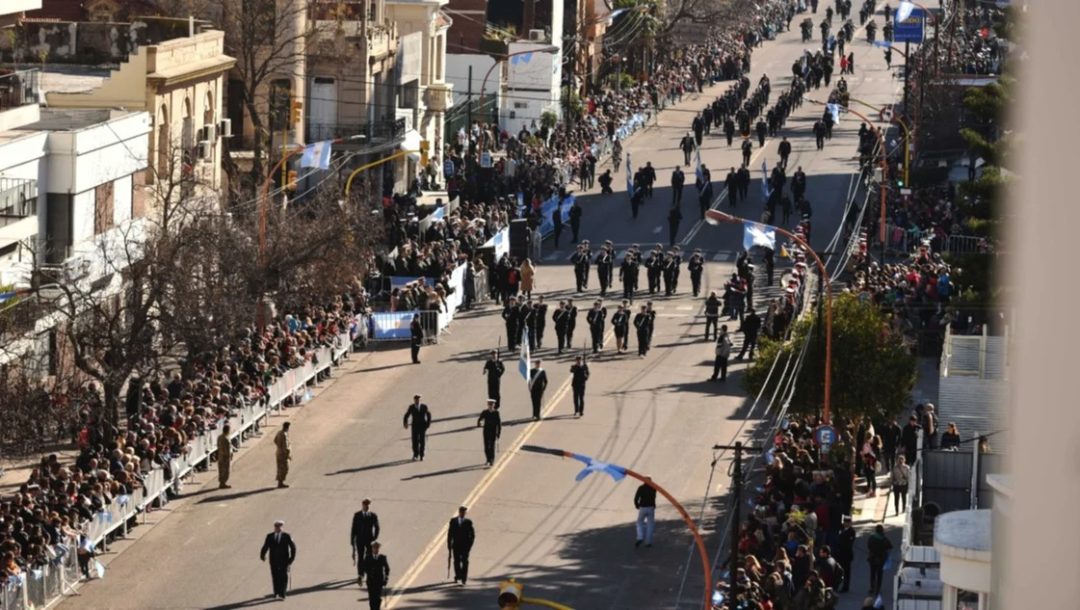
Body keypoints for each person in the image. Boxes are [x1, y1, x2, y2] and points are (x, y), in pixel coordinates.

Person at [260, 519, 296, 600]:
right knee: (275, 576)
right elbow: (266, 546)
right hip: (273, 560)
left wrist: (291, 559)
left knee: (283, 576)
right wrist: (262, 555)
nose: (278, 528)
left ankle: (282, 593)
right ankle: (276, 592)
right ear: (274, 527)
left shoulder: (287, 536)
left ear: (282, 527)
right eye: (277, 526)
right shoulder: (270, 536)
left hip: (284, 560)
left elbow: (293, 547)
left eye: (280, 526)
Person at [351, 498, 380, 586]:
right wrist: (352, 541)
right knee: (360, 557)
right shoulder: (357, 515)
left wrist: (374, 538)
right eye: (365, 505)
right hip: (360, 540)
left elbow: (377, 527)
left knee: (368, 557)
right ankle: (360, 575)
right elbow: (353, 529)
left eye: (368, 505)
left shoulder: (373, 515)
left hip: (369, 540)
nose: (367, 506)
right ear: (362, 505)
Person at [447, 506, 475, 585]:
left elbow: (472, 535)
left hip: (465, 546)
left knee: (465, 561)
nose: (463, 513)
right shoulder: (453, 521)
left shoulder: (468, 522)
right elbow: (450, 534)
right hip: (456, 545)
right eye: (462, 512)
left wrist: (469, 545)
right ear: (459, 512)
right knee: (456, 561)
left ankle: (464, 578)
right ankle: (458, 575)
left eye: (464, 512)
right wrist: (449, 545)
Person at [403, 395, 431, 461]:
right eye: (415, 400)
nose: (417, 401)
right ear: (414, 400)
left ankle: (422, 455)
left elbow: (428, 415)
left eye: (418, 399)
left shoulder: (424, 406)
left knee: (422, 441)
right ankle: (415, 454)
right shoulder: (411, 407)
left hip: (422, 426)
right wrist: (405, 423)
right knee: (414, 441)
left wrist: (427, 424)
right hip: (415, 426)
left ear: (420, 400)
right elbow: (406, 415)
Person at [866, 524, 893, 595]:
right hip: (881, 559)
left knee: (872, 574)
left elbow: (868, 546)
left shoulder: (872, 538)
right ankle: (878, 589)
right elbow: (890, 546)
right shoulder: (884, 539)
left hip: (872, 558)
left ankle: (872, 587)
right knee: (880, 574)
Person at [364, 542, 390, 610]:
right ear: (372, 549)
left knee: (377, 598)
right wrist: (369, 572)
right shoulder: (368, 558)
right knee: (371, 598)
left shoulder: (382, 558)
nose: (375, 549)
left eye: (377, 548)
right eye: (374, 548)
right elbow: (365, 567)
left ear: (378, 549)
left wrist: (386, 578)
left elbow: (387, 569)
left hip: (379, 581)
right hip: (370, 581)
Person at [477, 399, 501, 466]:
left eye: (492, 404)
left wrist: (498, 434)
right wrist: (479, 423)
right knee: (486, 447)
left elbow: (499, 424)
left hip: (493, 432)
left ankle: (492, 460)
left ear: (494, 405)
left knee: (492, 447)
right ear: (487, 405)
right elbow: (480, 419)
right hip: (486, 432)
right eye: (489, 404)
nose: (490, 406)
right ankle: (487, 459)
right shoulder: (485, 412)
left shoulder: (496, 413)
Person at [634, 478, 657, 548]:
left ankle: (640, 537)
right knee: (650, 524)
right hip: (651, 507)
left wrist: (637, 505)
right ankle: (648, 542)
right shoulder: (654, 488)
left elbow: (636, 498)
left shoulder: (641, 488)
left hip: (642, 507)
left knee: (639, 522)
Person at [835, 515, 856, 593]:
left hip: (846, 554)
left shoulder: (851, 531)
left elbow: (850, 542)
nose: (845, 524)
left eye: (847, 522)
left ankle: (845, 586)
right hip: (839, 554)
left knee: (846, 571)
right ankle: (836, 585)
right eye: (845, 522)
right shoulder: (841, 529)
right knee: (838, 570)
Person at [274, 422, 291, 488]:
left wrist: (279, 446)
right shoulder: (284, 435)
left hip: (278, 452)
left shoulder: (279, 432)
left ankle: (280, 482)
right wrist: (288, 455)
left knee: (279, 468)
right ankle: (280, 482)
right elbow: (286, 447)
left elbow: (275, 440)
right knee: (285, 468)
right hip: (283, 454)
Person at [216, 423, 233, 489]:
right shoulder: (226, 439)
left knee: (220, 469)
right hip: (225, 456)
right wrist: (230, 456)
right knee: (225, 470)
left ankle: (221, 482)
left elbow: (218, 445)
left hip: (220, 455)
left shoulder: (219, 437)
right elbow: (228, 449)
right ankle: (223, 483)